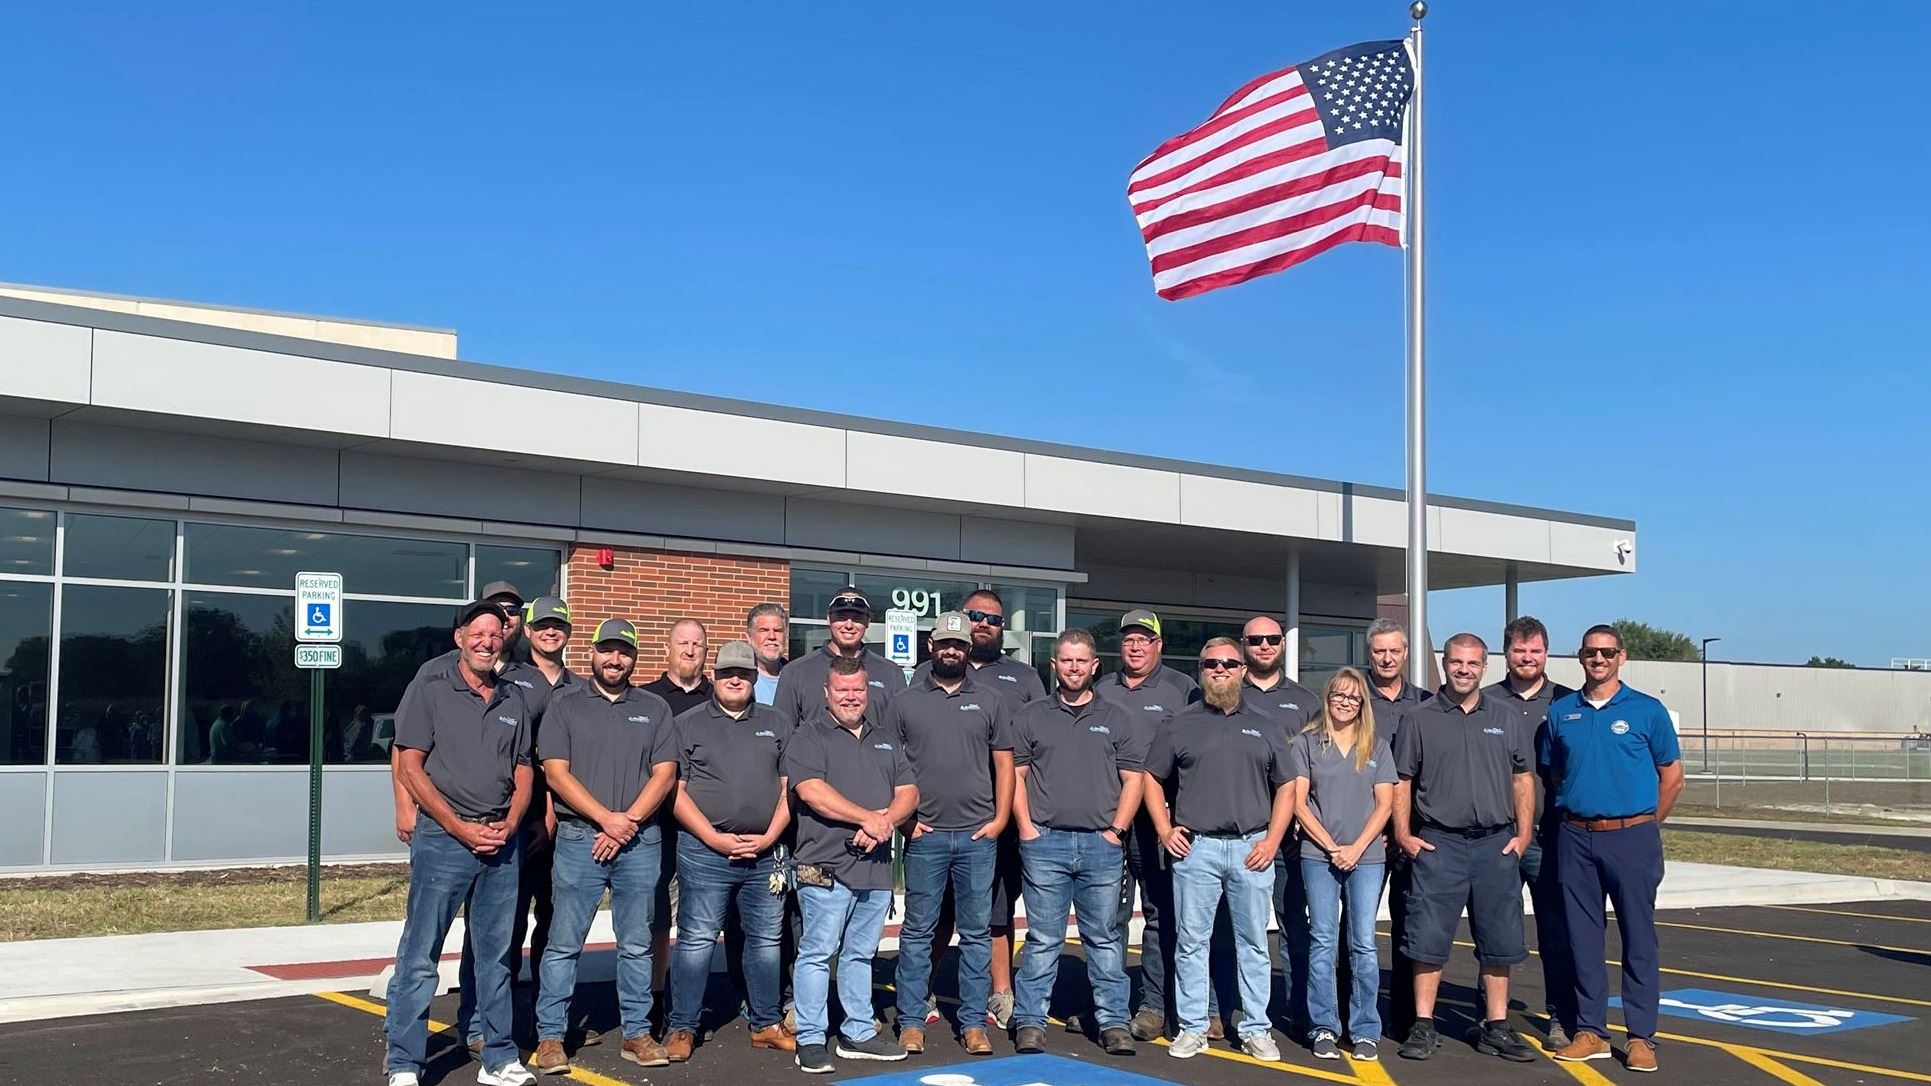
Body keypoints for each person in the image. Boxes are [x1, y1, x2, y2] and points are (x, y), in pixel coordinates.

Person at [383, 600, 535, 1086]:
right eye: (479, 633)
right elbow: (410, 765)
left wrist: (510, 823)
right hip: (443, 840)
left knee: (494, 955)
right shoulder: (430, 688)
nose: (487, 641)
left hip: (499, 843)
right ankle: (405, 1062)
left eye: (496, 634)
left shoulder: (513, 697)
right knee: (420, 953)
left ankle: (499, 1058)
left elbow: (524, 769)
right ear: (460, 638)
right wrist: (454, 825)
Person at [531, 619, 679, 1075]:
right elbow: (556, 773)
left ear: (635, 658)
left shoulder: (654, 708)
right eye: (607, 651)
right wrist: (605, 819)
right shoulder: (565, 705)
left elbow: (665, 773)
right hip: (580, 838)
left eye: (625, 653)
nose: (615, 660)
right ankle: (551, 1037)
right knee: (563, 943)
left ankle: (637, 1033)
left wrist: (628, 820)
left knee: (636, 943)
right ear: (592, 652)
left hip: (639, 839)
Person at [1142, 639, 1293, 1062]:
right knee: (1191, 942)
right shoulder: (1179, 724)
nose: (1220, 669)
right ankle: (1192, 1027)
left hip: (1252, 849)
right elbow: (1151, 779)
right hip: (1197, 850)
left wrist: (1272, 840)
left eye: (1229, 663)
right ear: (1201, 669)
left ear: (1243, 670)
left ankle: (1257, 1028)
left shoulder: (1266, 725)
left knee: (1253, 944)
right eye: (1211, 663)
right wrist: (1164, 828)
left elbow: (1287, 787)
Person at [1544, 625, 1684, 1074]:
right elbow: (1553, 774)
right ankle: (1591, 1031)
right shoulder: (1562, 712)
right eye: (1590, 652)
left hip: (1632, 837)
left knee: (1638, 937)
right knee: (1582, 937)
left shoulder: (1647, 711)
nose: (1598, 659)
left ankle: (1641, 1037)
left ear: (1622, 656)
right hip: (1575, 836)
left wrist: (1642, 824)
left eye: (1607, 652)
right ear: (1580, 657)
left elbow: (1673, 776)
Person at [1391, 633, 1536, 1063]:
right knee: (1427, 940)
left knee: (1499, 940)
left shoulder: (1507, 716)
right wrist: (1403, 833)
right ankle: (1423, 1025)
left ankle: (1496, 1025)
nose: (1464, 670)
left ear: (1485, 667)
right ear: (1445, 663)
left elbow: (1522, 778)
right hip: (1440, 844)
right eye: (1456, 662)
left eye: (1473, 663)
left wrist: (1524, 834)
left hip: (1495, 845)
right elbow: (1402, 779)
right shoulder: (1420, 718)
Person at [909, 589, 1043, 1032]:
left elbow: (1025, 751)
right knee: (933, 914)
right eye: (974, 616)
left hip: (991, 819)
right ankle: (921, 989)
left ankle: (999, 993)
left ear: (1000, 630)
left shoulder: (1021, 679)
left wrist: (1007, 816)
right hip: (932, 822)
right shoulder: (919, 681)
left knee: (994, 911)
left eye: (991, 619)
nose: (983, 623)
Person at [1010, 628, 1145, 1058]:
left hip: (1101, 846)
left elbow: (1133, 780)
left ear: (1094, 665)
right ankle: (1030, 1021)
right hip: (1045, 842)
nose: (1073, 668)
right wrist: (1027, 828)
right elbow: (1016, 777)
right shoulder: (1032, 715)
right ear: (1054, 666)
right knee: (1043, 939)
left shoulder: (1117, 717)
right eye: (1066, 661)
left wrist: (1116, 832)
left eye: (1081, 661)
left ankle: (1114, 1023)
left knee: (1104, 939)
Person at [784, 655, 919, 1073]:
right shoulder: (809, 736)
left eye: (858, 690)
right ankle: (809, 1036)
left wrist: (885, 823)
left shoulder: (885, 740)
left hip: (875, 868)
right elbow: (810, 791)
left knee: (861, 953)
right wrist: (868, 817)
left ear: (869, 692)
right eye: (842, 690)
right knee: (817, 952)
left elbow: (910, 792)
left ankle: (858, 1031)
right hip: (822, 864)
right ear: (827, 693)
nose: (851, 697)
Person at [889, 612, 1013, 1056]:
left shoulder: (992, 700)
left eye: (958, 645)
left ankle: (974, 1023)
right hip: (925, 834)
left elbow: (1004, 763)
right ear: (931, 646)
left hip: (978, 835)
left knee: (977, 932)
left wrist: (1000, 820)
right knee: (918, 929)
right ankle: (910, 1022)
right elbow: (890, 765)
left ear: (968, 650)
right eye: (944, 643)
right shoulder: (904, 702)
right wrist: (903, 821)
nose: (951, 651)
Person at [665, 640, 795, 1063]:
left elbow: (788, 787)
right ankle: (683, 1025)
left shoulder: (778, 722)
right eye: (726, 673)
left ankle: (765, 1023)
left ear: (755, 677)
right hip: (705, 852)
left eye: (743, 673)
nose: (735, 679)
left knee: (765, 941)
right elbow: (676, 793)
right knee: (697, 940)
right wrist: (713, 838)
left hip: (764, 852)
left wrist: (771, 836)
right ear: (714, 677)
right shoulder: (687, 724)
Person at [1093, 609, 1202, 1042]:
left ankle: (1153, 1005)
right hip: (1107, 819)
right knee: (1107, 918)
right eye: (1128, 640)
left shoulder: (1183, 690)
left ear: (1158, 645)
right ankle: (1109, 1005)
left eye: (1144, 639)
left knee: (1160, 915)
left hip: (1158, 821)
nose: (1135, 647)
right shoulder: (1102, 688)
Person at [1291, 667, 1395, 1062]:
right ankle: (1323, 1026)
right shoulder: (1306, 744)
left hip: (1366, 858)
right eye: (1339, 694)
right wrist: (1333, 846)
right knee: (1322, 941)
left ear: (1363, 703)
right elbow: (1299, 802)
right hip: (1319, 856)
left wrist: (1355, 848)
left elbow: (1384, 804)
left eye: (1354, 697)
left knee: (1363, 943)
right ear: (1327, 696)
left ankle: (1365, 1028)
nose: (1345, 702)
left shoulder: (1376, 746)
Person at [1486, 615, 1577, 1049]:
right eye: (1520, 650)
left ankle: (1562, 1016)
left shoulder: (1567, 703)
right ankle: (1493, 1017)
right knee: (1494, 930)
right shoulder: (1483, 701)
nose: (1528, 658)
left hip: (1550, 838)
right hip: (1495, 836)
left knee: (1557, 932)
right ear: (1506, 653)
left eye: (1536, 651)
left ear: (1546, 653)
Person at [1240, 615, 1318, 1040]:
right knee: (1231, 929)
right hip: (1241, 834)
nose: (1265, 645)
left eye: (1272, 639)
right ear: (1244, 645)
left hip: (1291, 837)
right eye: (1256, 640)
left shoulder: (1305, 701)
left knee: (1295, 927)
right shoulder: (1228, 691)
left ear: (1282, 646)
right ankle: (1222, 1009)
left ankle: (1301, 1012)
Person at [1364, 616, 1429, 1040]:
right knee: (1357, 929)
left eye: (1394, 651)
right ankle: (1356, 1015)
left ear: (1406, 654)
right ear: (1368, 654)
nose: (1387, 658)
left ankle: (1407, 1019)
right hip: (1361, 835)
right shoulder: (1350, 700)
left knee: (1411, 927)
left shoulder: (1427, 705)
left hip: (1409, 834)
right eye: (1379, 651)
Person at [773, 588, 906, 727]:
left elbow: (899, 734)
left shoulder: (891, 673)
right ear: (828, 619)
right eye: (841, 617)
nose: (848, 625)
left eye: (857, 618)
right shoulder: (796, 672)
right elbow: (781, 733)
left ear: (868, 621)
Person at [644, 618, 714, 716]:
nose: (690, 652)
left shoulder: (719, 700)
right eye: (683, 643)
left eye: (696, 644)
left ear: (706, 653)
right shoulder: (644, 698)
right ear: (668, 650)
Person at [747, 603, 790, 706]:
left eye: (778, 631)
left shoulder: (798, 678)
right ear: (749, 637)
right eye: (764, 630)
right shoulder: (738, 680)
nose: (772, 636)